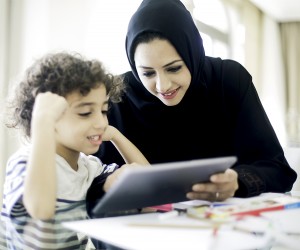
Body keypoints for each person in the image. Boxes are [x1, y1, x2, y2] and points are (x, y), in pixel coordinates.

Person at [94, 0, 297, 201]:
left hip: (222, 224)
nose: (162, 86)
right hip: (140, 225)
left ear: (192, 52)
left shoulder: (229, 80)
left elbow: (277, 169)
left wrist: (237, 181)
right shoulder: (119, 94)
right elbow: (91, 177)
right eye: (147, 73)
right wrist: (108, 182)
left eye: (174, 68)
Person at [1, 52, 149, 249]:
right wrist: (42, 122)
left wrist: (115, 136)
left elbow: (146, 178)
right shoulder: (27, 161)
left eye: (104, 111)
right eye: (85, 113)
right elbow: (41, 209)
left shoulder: (89, 167)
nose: (100, 122)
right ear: (47, 115)